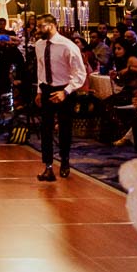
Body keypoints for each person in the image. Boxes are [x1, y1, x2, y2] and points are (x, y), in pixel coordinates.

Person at [33, 14, 87, 181]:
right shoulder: (39, 45)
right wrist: (39, 91)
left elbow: (80, 73)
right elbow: (40, 68)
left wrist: (66, 91)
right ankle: (48, 166)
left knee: (64, 129)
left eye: (40, 26)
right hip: (47, 88)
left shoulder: (67, 46)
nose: (37, 30)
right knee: (45, 129)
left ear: (50, 26)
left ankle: (64, 160)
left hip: (65, 90)